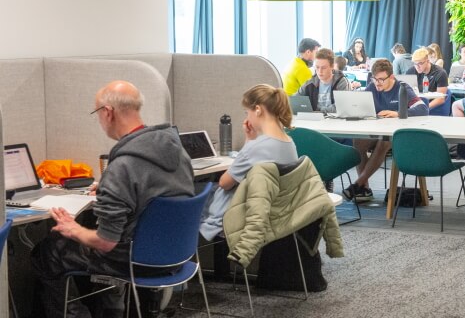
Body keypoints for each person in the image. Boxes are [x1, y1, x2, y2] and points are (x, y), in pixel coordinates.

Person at [32, 81, 195, 318]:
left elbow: (106, 242)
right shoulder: (178, 151)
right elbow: (158, 194)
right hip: (176, 254)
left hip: (134, 259)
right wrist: (111, 190)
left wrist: (73, 228)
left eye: (97, 113)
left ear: (108, 113)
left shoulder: (123, 166)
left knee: (49, 250)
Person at [200, 84, 298, 240]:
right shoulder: (289, 142)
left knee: (195, 191)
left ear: (258, 110)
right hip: (273, 213)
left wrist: (249, 143)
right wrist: (250, 141)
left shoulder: (256, 147)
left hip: (237, 216)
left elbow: (225, 183)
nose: (247, 118)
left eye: (247, 112)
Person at [345, 60, 428, 201]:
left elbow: (423, 108)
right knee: (358, 141)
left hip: (396, 135)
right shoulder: (372, 87)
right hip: (375, 131)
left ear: (391, 77)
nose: (377, 83)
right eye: (375, 79)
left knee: (384, 142)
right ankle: (364, 188)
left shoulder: (402, 88)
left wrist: (398, 113)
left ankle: (358, 184)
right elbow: (360, 106)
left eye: (381, 80)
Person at [296, 48, 351, 113]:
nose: (319, 71)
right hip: (314, 120)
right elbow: (296, 101)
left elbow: (342, 106)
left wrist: (319, 111)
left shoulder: (341, 81)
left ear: (332, 66)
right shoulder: (310, 83)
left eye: (324, 68)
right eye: (317, 67)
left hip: (335, 121)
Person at [407, 47, 449, 112]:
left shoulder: (440, 73)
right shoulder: (411, 71)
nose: (417, 67)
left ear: (428, 61)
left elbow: (441, 98)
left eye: (420, 63)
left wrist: (423, 108)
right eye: (415, 63)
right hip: (415, 104)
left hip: (432, 105)